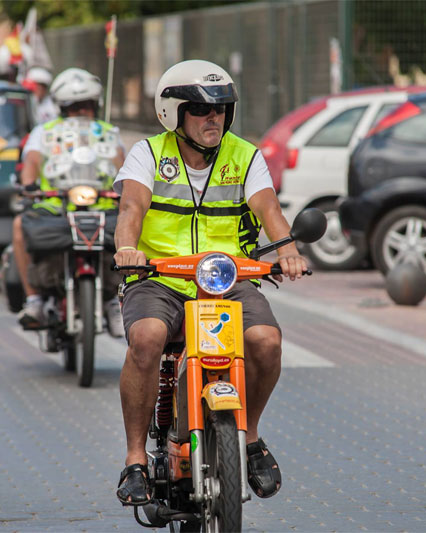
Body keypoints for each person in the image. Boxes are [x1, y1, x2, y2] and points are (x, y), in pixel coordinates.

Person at [112, 59, 308, 506]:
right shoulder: (148, 153)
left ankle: (251, 437)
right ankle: (135, 459)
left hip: (227, 278)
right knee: (147, 338)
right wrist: (128, 249)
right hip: (157, 277)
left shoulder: (245, 155)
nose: (213, 118)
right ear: (174, 113)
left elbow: (270, 211)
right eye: (201, 110)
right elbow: (131, 211)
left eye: (221, 109)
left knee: (266, 342)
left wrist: (287, 251)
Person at [12, 67, 126, 336]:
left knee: (135, 225)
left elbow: (120, 164)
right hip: (55, 206)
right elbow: (32, 161)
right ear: (63, 108)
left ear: (95, 105)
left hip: (102, 205)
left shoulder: (110, 132)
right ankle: (35, 300)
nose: (81, 112)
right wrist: (29, 185)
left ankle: (115, 299)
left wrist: (126, 188)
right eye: (74, 106)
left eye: (86, 105)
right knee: (19, 225)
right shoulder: (44, 132)